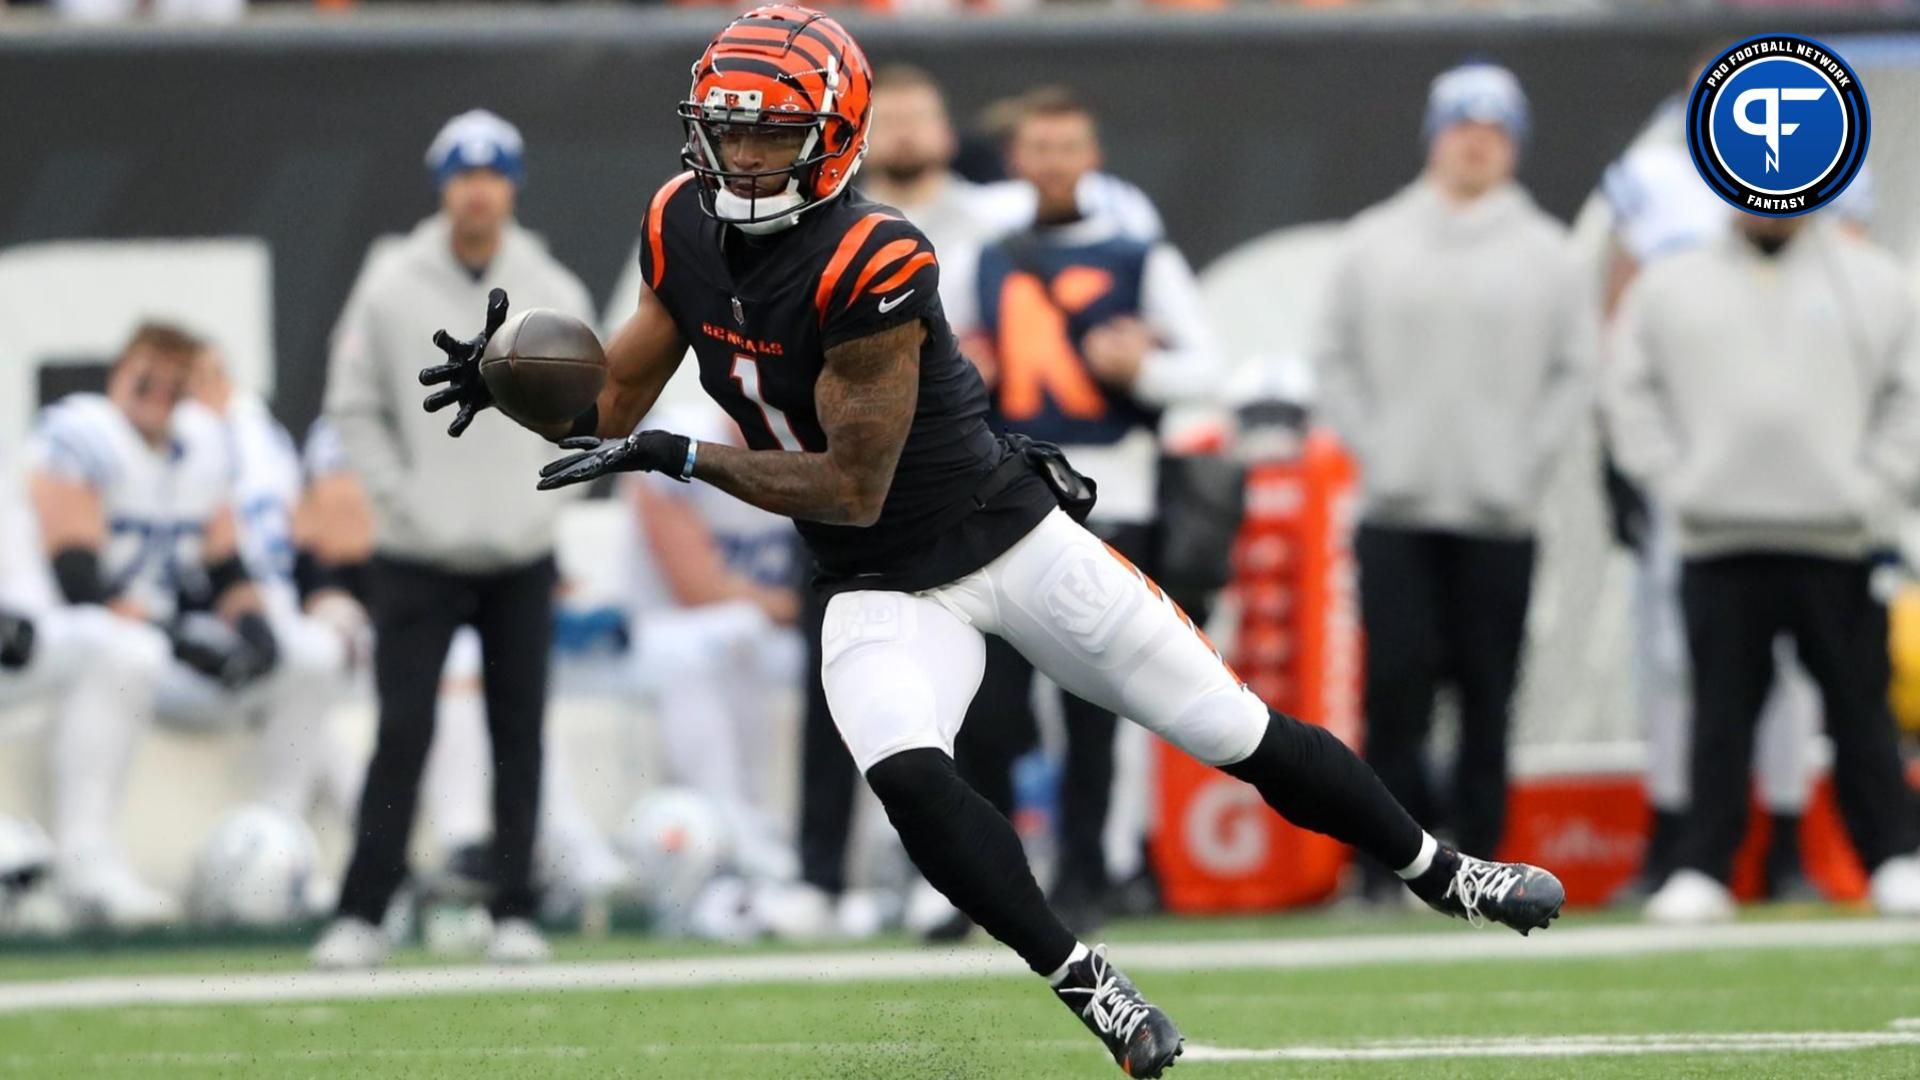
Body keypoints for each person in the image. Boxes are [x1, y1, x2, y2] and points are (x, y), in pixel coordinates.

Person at [420, 9, 1564, 1076]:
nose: (741, 157)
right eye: (726, 130)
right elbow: (612, 407)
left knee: (1233, 729)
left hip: (1001, 539)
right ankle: (1091, 987)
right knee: (909, 773)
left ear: (831, 141)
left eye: (770, 134)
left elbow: (850, 484)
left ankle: (1441, 869)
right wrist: (517, 381)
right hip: (879, 584)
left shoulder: (878, 255)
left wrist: (680, 456)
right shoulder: (681, 223)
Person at [313, 108, 597, 969]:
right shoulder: (390, 282)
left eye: (493, 173)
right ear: (443, 184)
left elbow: (589, 410)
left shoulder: (552, 285)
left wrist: (542, 511)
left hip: (518, 551)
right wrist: (402, 505)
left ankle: (515, 907)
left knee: (521, 731)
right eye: (463, 174)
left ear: (511, 184)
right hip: (417, 554)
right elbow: (354, 407)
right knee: (403, 731)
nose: (477, 190)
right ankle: (365, 907)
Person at [1313, 62, 1593, 902]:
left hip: (1499, 514)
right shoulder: (1373, 241)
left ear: (1513, 145)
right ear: (1436, 135)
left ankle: (1486, 860)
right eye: (1463, 127)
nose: (1476, 145)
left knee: (1487, 694)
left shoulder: (1550, 253)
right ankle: (1384, 863)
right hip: (1398, 509)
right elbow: (1334, 360)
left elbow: (1574, 374)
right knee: (1394, 691)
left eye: (1494, 130)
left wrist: (1522, 465)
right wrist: (1380, 450)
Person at [1604, 207, 1920, 923]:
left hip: (1836, 538)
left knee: (1858, 704)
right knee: (1718, 709)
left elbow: (1909, 396)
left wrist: (1873, 491)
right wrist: (1676, 485)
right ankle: (1702, 865)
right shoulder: (1671, 286)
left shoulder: (1868, 280)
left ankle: (1896, 855)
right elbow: (1627, 394)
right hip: (1719, 537)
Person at [965, 87, 1224, 933]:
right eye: (1039, 147)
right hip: (1007, 499)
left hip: (1113, 494)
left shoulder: (1141, 255)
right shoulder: (987, 254)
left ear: (1093, 156)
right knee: (991, 706)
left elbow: (1207, 369)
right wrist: (972, 368)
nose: (1053, 162)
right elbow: (950, 364)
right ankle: (992, 878)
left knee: (1097, 705)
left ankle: (1089, 873)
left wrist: (1139, 369)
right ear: (1018, 159)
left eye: (1068, 146)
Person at [1595, 83, 1823, 901]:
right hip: (1692, 473)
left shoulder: (1819, 149)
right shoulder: (1655, 174)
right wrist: (1634, 457)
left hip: (1799, 470)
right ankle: (1680, 843)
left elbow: (1847, 299)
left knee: (1797, 663)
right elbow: (1619, 316)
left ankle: (1786, 846)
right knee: (1673, 659)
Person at [26, 323, 279, 926]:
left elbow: (226, 566)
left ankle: (275, 849)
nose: (157, 388)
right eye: (147, 370)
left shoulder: (202, 446)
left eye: (174, 376)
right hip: (56, 637)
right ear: (120, 372)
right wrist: (180, 642)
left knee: (305, 660)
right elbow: (78, 579)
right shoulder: (83, 433)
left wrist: (255, 633)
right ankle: (85, 861)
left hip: (149, 644)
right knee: (129, 649)